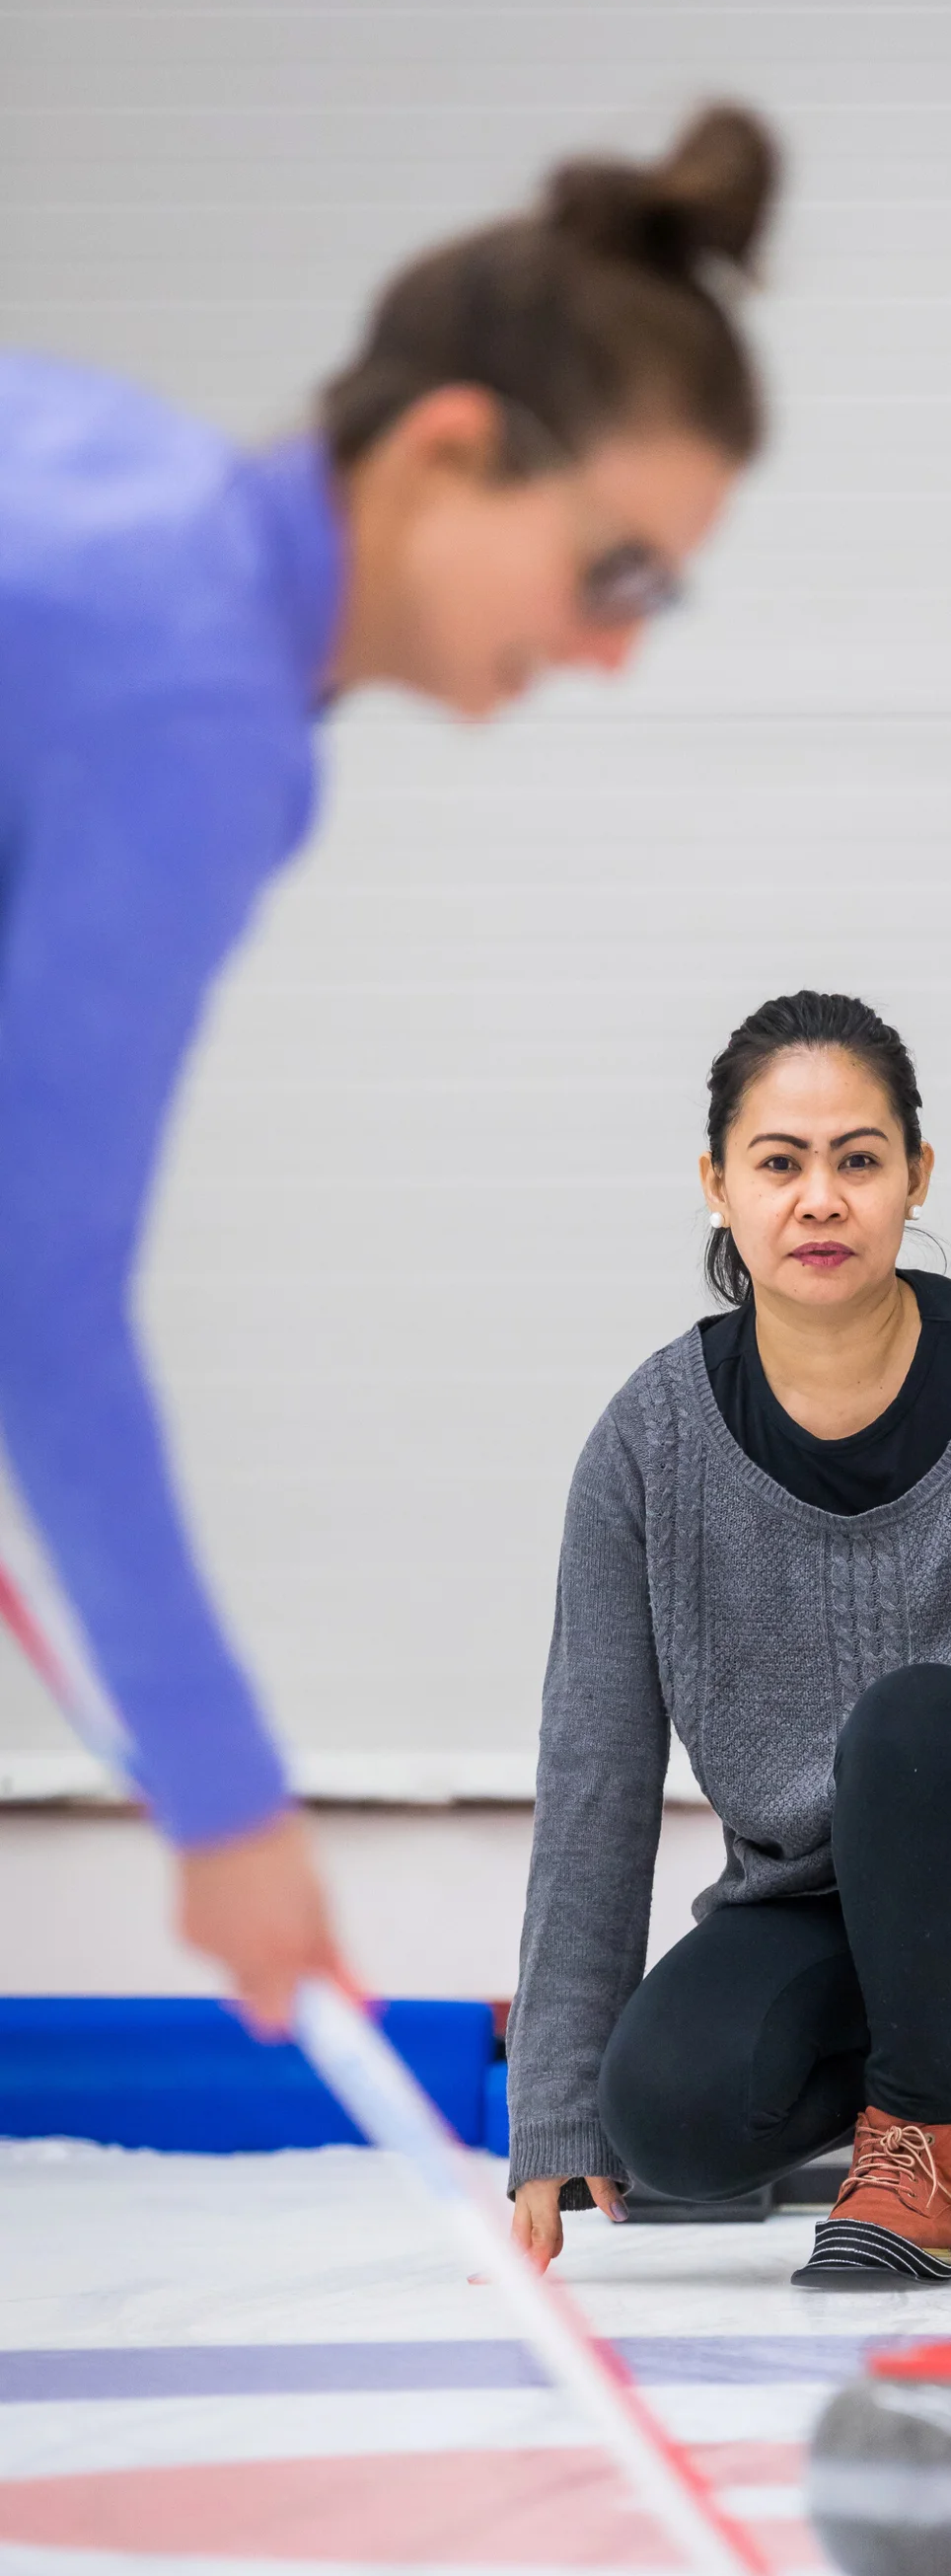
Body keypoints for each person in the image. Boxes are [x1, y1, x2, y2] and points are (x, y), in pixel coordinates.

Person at [0, 106, 777, 2028]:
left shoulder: (116, 477)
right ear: (444, 455)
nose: (612, 655)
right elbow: (39, 1286)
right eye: (617, 575)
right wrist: (224, 1798)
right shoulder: (194, 701)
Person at [505, 990, 951, 2285]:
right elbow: (594, 1775)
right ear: (718, 1186)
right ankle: (949, 2101)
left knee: (912, 1719)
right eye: (779, 1163)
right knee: (665, 2112)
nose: (820, 1200)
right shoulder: (649, 1445)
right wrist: (553, 2108)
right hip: (821, 1908)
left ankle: (919, 2151)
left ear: (916, 1176)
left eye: (858, 1160)